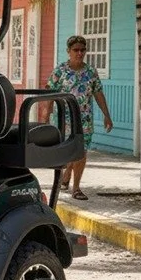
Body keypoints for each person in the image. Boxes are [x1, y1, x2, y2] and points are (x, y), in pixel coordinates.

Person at [46, 34, 114, 200]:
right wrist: (46, 114)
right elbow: (50, 92)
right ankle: (66, 173)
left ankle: (76, 188)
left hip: (84, 118)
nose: (80, 53)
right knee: (68, 151)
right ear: (68, 51)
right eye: (76, 50)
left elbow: (98, 93)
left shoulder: (90, 72)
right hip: (64, 119)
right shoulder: (60, 71)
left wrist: (106, 115)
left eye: (83, 50)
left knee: (81, 151)